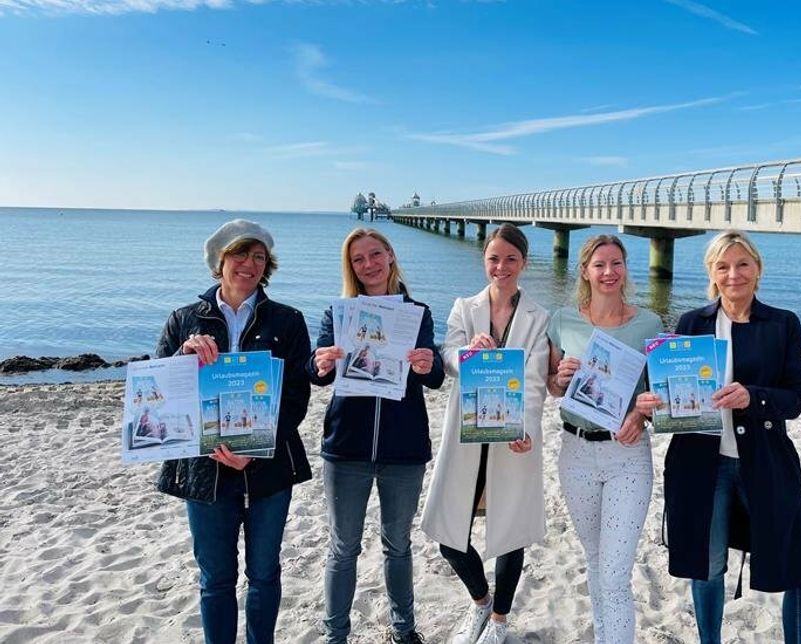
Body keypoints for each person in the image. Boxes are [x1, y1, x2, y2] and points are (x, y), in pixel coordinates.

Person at [637, 229, 801, 643]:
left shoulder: (783, 324)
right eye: (723, 266)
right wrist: (656, 404)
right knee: (707, 569)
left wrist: (752, 396)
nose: (733, 274)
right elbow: (669, 391)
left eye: (743, 264)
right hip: (700, 466)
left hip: (767, 463)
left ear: (758, 269)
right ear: (712, 273)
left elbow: (796, 398)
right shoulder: (692, 323)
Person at [155, 219, 312, 644]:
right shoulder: (184, 320)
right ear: (220, 261)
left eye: (259, 257)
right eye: (241, 254)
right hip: (204, 470)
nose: (249, 264)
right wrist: (183, 357)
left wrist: (256, 449)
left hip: (269, 469)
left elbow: (296, 398)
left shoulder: (289, 320)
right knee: (216, 579)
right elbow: (160, 394)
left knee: (264, 574)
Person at [308, 228, 444, 644]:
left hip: (404, 451)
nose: (368, 265)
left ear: (390, 255)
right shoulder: (339, 314)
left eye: (375, 254)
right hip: (346, 448)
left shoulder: (416, 312)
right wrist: (322, 363)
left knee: (398, 546)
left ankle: (404, 631)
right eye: (358, 259)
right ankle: (335, 636)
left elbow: (436, 377)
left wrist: (427, 363)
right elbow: (314, 375)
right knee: (343, 547)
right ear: (350, 267)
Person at [421, 224, 549, 644]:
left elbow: (534, 381)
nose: (502, 267)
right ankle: (479, 601)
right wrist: (467, 353)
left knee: (510, 531)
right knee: (448, 533)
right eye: (494, 258)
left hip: (513, 436)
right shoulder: (464, 307)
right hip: (467, 433)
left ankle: (498, 620)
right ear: (484, 261)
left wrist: (525, 427)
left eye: (511, 259)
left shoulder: (538, 317)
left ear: (524, 263)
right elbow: (447, 356)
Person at [546, 234, 662, 644]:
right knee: (596, 562)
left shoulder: (649, 324)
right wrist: (558, 379)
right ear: (585, 271)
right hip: (574, 453)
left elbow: (656, 395)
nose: (609, 272)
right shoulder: (561, 320)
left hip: (627, 455)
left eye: (616, 263)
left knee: (614, 573)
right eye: (600, 265)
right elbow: (553, 386)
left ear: (625, 268)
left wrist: (641, 413)